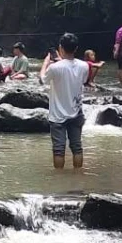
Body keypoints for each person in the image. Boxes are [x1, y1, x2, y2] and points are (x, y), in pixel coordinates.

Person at [40, 32, 91, 170]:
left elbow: (42, 80)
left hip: (57, 115)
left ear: (61, 48)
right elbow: (84, 81)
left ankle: (59, 180)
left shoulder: (55, 67)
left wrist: (45, 64)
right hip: (76, 111)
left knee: (58, 149)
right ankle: (77, 176)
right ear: (76, 49)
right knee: (77, 147)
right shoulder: (84, 65)